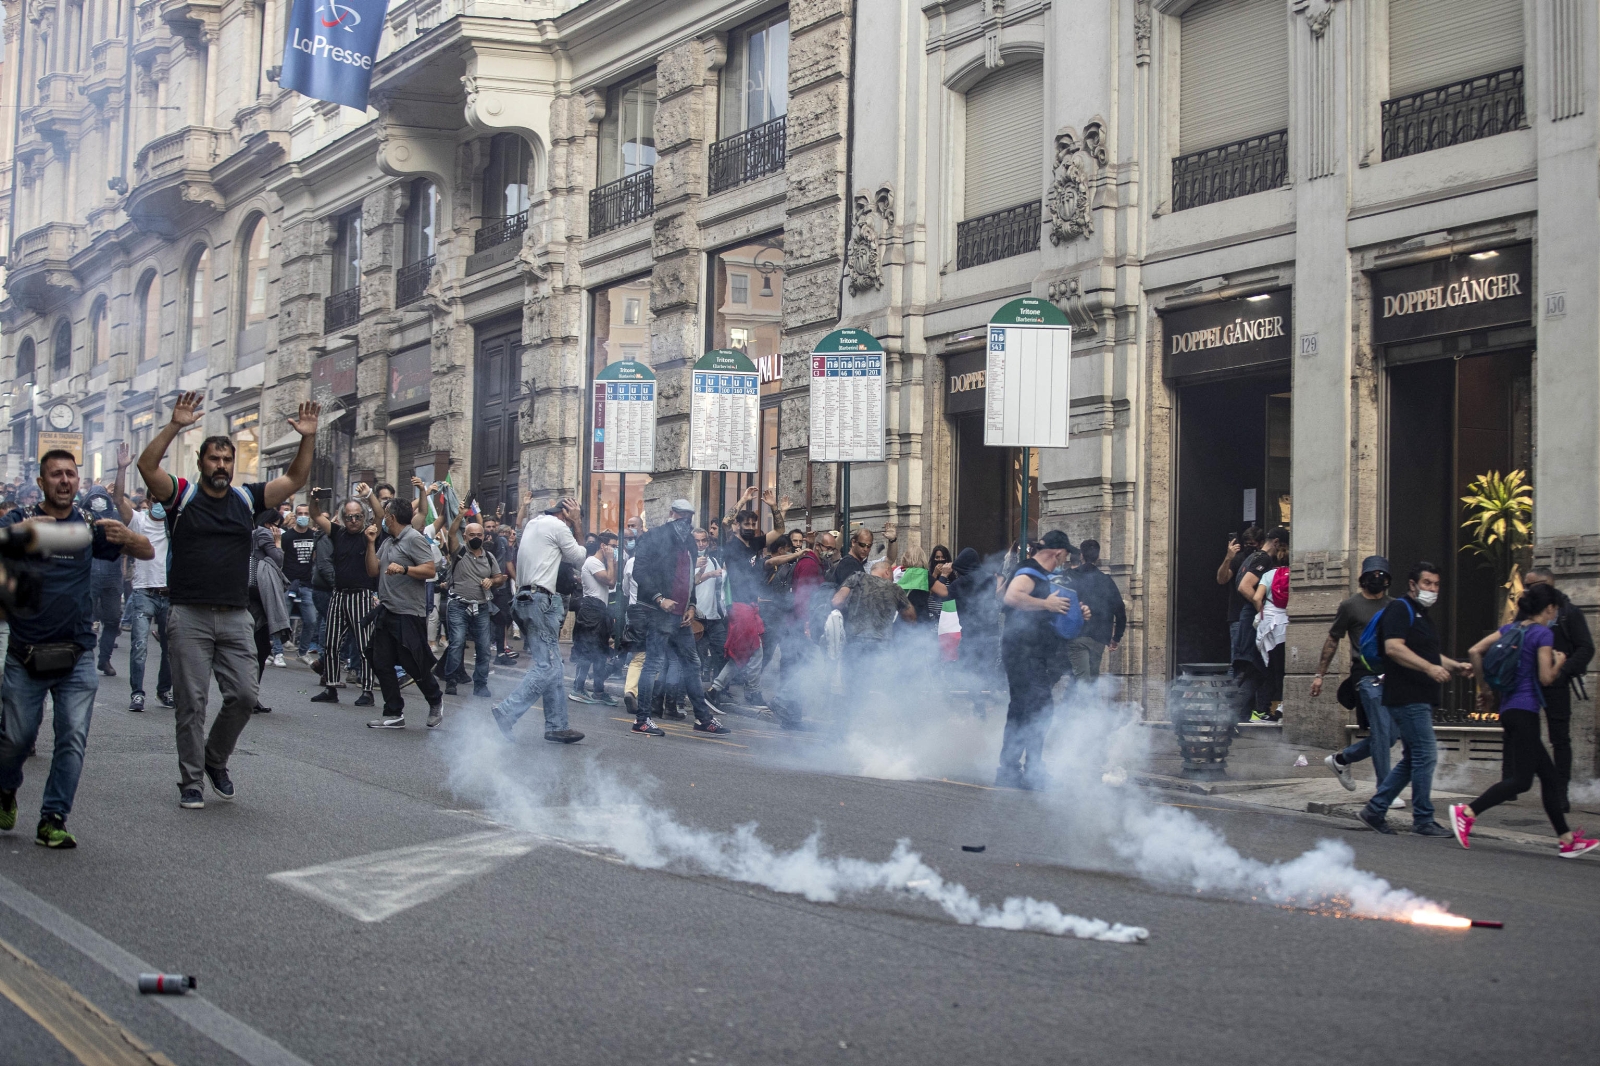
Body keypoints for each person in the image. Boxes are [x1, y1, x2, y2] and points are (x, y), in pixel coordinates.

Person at [137, 392, 320, 809]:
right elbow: (147, 466)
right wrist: (175, 425)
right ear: (201, 462)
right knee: (192, 704)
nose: (221, 465)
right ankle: (191, 781)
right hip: (189, 615)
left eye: (227, 459)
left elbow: (294, 479)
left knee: (243, 696)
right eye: (214, 459)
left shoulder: (246, 499)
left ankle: (215, 759)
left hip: (236, 617)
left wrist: (307, 437)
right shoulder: (181, 496)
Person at [0, 450, 153, 847]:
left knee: (71, 738)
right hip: (25, 654)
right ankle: (5, 789)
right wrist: (22, 535)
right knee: (15, 739)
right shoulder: (18, 520)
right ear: (42, 482)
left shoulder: (88, 525)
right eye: (56, 474)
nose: (64, 480)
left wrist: (130, 538)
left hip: (78, 653)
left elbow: (147, 551)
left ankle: (53, 819)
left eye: (70, 473)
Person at [1449, 582, 1599, 858]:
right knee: (1522, 781)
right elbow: (1546, 678)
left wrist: (1485, 691)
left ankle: (1566, 840)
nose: (1556, 614)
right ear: (1549, 608)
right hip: (1526, 711)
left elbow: (1474, 651)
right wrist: (1560, 661)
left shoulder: (1510, 628)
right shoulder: (1543, 634)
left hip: (1510, 710)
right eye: (1555, 609)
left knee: (1549, 777)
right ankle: (1467, 812)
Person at [1357, 562, 1468, 836]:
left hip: (1418, 696)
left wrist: (1454, 665)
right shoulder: (1400, 609)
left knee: (1414, 758)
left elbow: (1427, 654)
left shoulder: (1421, 615)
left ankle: (1375, 810)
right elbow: (1394, 648)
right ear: (1412, 584)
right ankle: (1423, 819)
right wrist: (1429, 668)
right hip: (1407, 696)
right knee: (1426, 755)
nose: (1432, 589)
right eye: (1427, 583)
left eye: (1436, 584)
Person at [490, 497, 587, 743]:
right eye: (573, 518)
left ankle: (557, 725)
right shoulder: (558, 526)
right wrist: (577, 524)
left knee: (553, 665)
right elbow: (579, 557)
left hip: (525, 599)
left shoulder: (534, 523)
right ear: (566, 514)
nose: (573, 523)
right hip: (539, 600)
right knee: (548, 666)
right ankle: (507, 711)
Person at [995, 531, 1083, 789]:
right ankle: (1029, 770)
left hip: (1031, 652)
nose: (1064, 561)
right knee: (1039, 708)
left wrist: (1077, 612)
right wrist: (1047, 604)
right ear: (1058, 552)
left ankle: (1011, 770)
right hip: (1022, 652)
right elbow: (1012, 597)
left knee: (1023, 708)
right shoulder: (1029, 571)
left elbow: (1052, 609)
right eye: (1064, 555)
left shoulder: (1041, 575)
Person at [633, 498, 728, 736]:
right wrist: (659, 598)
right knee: (653, 664)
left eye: (689, 516)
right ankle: (642, 719)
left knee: (692, 664)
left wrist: (692, 605)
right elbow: (639, 572)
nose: (685, 520)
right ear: (672, 513)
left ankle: (703, 719)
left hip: (681, 615)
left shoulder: (689, 542)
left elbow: (688, 578)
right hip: (659, 612)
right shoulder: (654, 537)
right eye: (681, 514)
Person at [1316, 556, 1403, 808]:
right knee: (1381, 731)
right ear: (1363, 578)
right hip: (1365, 676)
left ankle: (1342, 759)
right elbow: (1333, 639)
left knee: (1389, 737)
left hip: (1392, 676)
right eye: (1372, 574)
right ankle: (1385, 791)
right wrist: (1320, 675)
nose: (1377, 579)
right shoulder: (1350, 606)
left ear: (1388, 579)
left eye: (1381, 575)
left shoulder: (1395, 606)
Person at [364, 498, 445, 729]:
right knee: (380, 661)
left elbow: (429, 569)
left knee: (413, 664)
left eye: (385, 514)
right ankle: (394, 712)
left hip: (408, 613)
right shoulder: (388, 541)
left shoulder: (414, 538)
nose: (382, 518)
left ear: (392, 517)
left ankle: (435, 700)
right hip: (387, 610)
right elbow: (372, 570)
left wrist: (404, 568)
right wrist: (370, 544)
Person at [1520, 567, 1593, 812]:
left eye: (1532, 585)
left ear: (1548, 583)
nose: (1527, 590)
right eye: (1526, 585)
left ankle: (1560, 791)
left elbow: (1586, 648)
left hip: (1556, 684)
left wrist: (1562, 670)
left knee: (1560, 738)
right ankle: (1514, 781)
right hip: (1527, 682)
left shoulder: (1568, 612)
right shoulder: (1526, 610)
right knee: (1522, 733)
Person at [308, 496, 378, 706]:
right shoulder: (338, 533)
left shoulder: (369, 534)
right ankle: (330, 686)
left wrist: (370, 495)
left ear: (364, 517)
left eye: (357, 516)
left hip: (361, 595)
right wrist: (314, 500)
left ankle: (367, 690)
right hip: (339, 594)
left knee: (364, 645)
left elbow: (380, 514)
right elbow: (316, 515)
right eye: (349, 517)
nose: (353, 521)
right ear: (342, 518)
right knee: (331, 643)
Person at [441, 514, 505, 698]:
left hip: (482, 607)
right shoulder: (459, 551)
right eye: (472, 535)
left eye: (479, 535)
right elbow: (451, 533)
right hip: (458, 605)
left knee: (484, 647)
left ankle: (481, 684)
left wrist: (492, 581)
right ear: (465, 536)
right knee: (457, 643)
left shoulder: (489, 557)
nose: (476, 538)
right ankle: (451, 679)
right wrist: (460, 514)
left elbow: (499, 577)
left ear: (484, 536)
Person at [831, 557, 917, 693]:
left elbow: (837, 601)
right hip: (882, 645)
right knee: (878, 690)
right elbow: (911, 617)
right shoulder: (895, 588)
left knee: (853, 689)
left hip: (855, 642)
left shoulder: (857, 578)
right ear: (887, 571)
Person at [1231, 526, 1287, 722]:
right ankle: (1231, 715)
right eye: (1284, 547)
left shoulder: (1252, 557)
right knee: (1254, 668)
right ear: (1277, 543)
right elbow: (1244, 586)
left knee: (1250, 668)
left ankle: (1240, 715)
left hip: (1246, 619)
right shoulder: (1264, 559)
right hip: (1251, 621)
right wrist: (1263, 610)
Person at [125, 494, 174, 711]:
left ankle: (164, 691)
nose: (159, 504)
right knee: (139, 646)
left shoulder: (173, 524)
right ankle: (137, 694)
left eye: (163, 499)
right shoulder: (140, 520)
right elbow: (119, 503)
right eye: (155, 499)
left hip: (168, 594)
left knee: (170, 648)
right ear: (149, 500)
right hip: (143, 592)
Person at [248, 509, 293, 711]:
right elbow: (278, 560)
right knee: (260, 648)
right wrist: (278, 542)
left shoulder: (251, 533)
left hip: (249, 593)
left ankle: (249, 696)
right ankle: (250, 697)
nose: (279, 529)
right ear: (269, 524)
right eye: (277, 525)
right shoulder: (264, 533)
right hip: (259, 594)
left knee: (255, 647)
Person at [1066, 539, 1126, 683]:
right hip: (1099, 637)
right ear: (1098, 557)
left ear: (1081, 555)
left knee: (1083, 681)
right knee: (1090, 682)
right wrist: (1116, 637)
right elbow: (1120, 611)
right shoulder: (1106, 581)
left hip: (1076, 635)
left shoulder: (1070, 576)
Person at [569, 534, 617, 704]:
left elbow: (612, 583)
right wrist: (611, 560)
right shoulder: (592, 562)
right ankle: (578, 688)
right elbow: (610, 580)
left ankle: (598, 691)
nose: (614, 550)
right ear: (603, 546)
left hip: (600, 610)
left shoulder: (602, 564)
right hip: (591, 610)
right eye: (612, 546)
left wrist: (611, 562)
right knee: (587, 651)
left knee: (600, 653)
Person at [280, 503, 322, 664]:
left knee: (311, 620)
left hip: (307, 584)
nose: (303, 516)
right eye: (300, 513)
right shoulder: (287, 536)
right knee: (281, 620)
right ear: (295, 515)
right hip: (289, 583)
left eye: (306, 513)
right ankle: (277, 652)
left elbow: (316, 557)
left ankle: (303, 652)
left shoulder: (314, 535)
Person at [691, 527, 726, 682]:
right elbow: (690, 583)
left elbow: (720, 583)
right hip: (695, 616)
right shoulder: (687, 561)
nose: (700, 544)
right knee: (696, 656)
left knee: (722, 651)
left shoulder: (713, 560)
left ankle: (718, 687)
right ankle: (693, 689)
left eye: (703, 540)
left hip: (713, 616)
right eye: (697, 541)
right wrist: (710, 574)